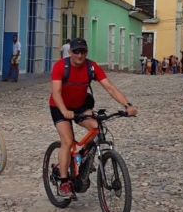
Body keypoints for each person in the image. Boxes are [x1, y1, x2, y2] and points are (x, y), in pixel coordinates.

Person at [49, 38, 137, 199]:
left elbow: (110, 87)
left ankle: (82, 157)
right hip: (59, 106)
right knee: (67, 141)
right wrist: (64, 110)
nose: (80, 55)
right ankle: (64, 182)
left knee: (97, 127)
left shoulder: (91, 67)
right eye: (76, 51)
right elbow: (56, 92)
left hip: (81, 105)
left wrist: (127, 105)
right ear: (70, 52)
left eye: (83, 51)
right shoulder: (61, 66)